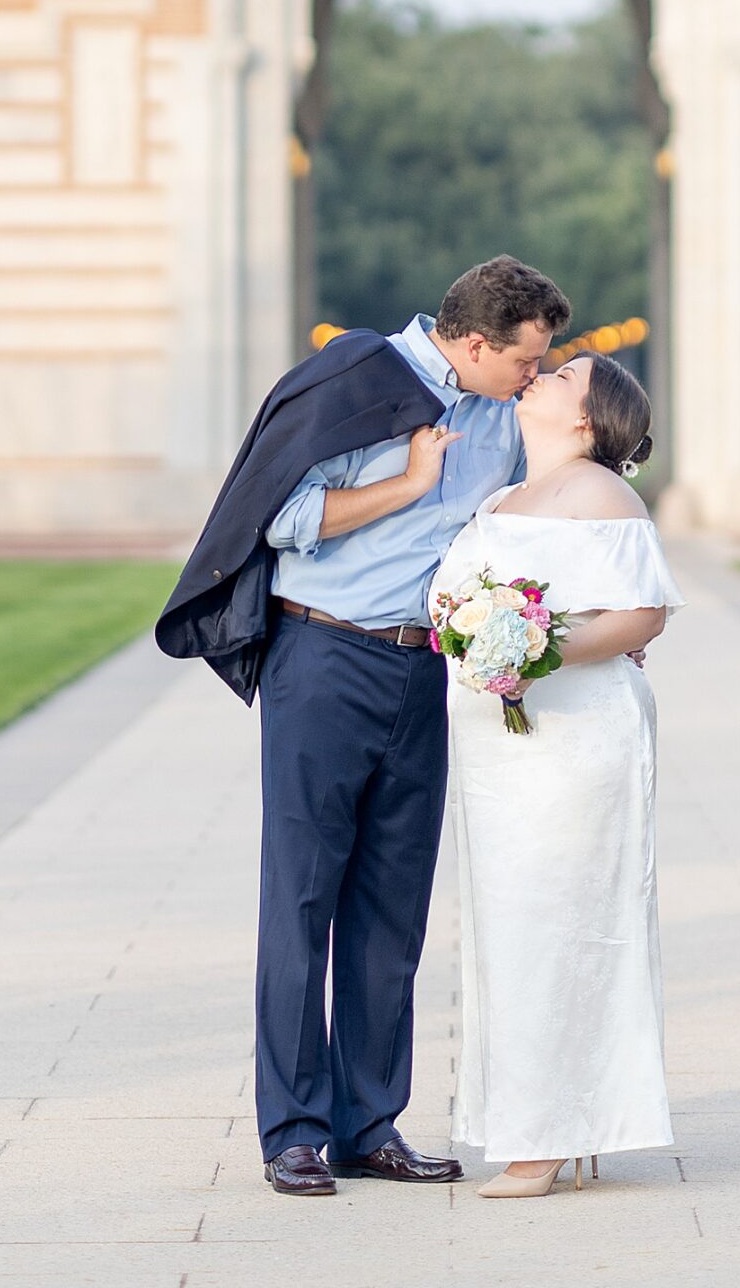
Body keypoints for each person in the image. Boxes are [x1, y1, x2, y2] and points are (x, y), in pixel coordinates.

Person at [155, 255, 571, 1198]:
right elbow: (278, 517)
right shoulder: (357, 380)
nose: (533, 377)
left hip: (425, 667)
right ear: (474, 343)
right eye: (525, 360)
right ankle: (293, 1131)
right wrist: (407, 482)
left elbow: (518, 528)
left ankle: (369, 1123)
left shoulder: (500, 418)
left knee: (392, 908)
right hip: (323, 658)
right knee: (302, 898)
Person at [433, 350, 682, 1199]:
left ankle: (547, 1139)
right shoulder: (503, 495)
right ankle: (541, 1124)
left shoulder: (601, 492)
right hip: (498, 743)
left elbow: (642, 612)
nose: (537, 375)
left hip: (573, 738)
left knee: (559, 921)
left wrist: (531, 649)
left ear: (587, 418)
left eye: (562, 375)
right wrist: (473, 637)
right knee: (507, 927)